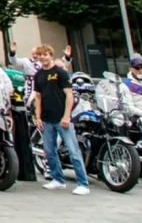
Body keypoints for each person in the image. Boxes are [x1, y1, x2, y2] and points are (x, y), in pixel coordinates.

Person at [32, 44, 89, 195]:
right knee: (49, 151)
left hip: (61, 119)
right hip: (46, 119)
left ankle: (83, 183)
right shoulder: (38, 76)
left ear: (51, 55)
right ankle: (58, 179)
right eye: (40, 55)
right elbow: (37, 97)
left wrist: (66, 116)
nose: (43, 57)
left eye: (46, 54)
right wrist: (38, 117)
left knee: (73, 151)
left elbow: (69, 95)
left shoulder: (60, 73)